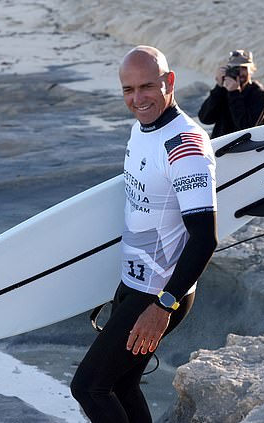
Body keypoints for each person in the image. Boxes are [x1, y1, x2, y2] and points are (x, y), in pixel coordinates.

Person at [70, 45, 218, 423]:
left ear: (169, 82)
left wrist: (161, 306)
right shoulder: (142, 128)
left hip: (159, 292)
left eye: (147, 87)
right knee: (120, 384)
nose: (137, 99)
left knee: (88, 387)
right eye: (128, 90)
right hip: (135, 283)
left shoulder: (185, 147)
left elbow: (204, 239)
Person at [198, 49, 264, 138]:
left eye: (243, 68)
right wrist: (219, 87)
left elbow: (246, 128)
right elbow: (205, 118)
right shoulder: (224, 90)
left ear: (251, 70)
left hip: (247, 148)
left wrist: (234, 94)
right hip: (221, 147)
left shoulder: (260, 94)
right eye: (235, 68)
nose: (239, 73)